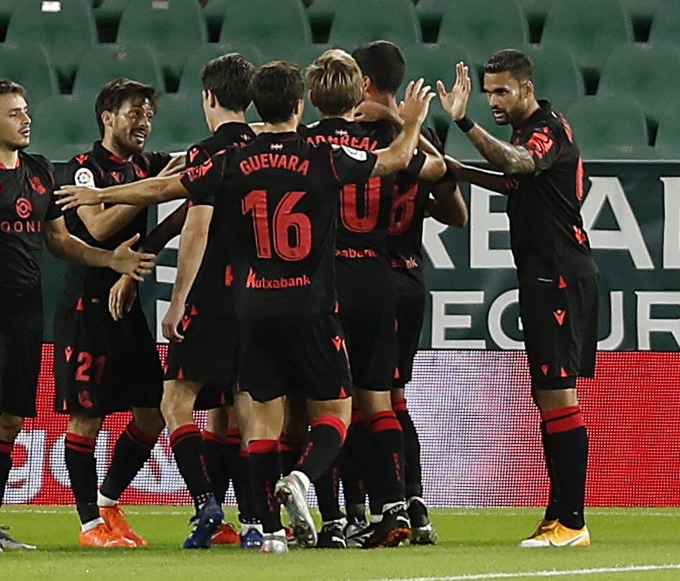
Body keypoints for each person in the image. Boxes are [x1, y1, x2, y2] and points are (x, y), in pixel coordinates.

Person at [56, 61, 436, 553]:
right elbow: (396, 159)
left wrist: (101, 192)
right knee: (335, 412)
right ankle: (302, 483)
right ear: (298, 107)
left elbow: (165, 190)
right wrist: (410, 121)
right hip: (312, 307)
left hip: (254, 309)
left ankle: (267, 528)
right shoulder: (322, 154)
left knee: (259, 419)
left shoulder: (232, 161)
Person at [0, 79, 155, 553]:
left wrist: (110, 260)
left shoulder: (39, 172)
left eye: (26, 110)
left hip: (28, 313)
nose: (26, 119)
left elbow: (58, 240)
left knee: (11, 420)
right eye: (14, 113)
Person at [437, 49, 597, 547]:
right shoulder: (529, 133)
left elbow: (519, 164)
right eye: (488, 93)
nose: (494, 101)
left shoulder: (543, 130)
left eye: (502, 91)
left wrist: (462, 122)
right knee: (547, 395)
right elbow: (518, 180)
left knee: (558, 393)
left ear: (526, 87)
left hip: (559, 275)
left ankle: (573, 521)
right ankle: (558, 516)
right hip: (545, 274)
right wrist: (456, 171)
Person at [297, 48, 446, 550]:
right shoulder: (383, 142)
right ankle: (395, 509)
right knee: (381, 399)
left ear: (312, 97)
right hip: (380, 276)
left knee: (327, 403)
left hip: (326, 281)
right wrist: (408, 123)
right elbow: (433, 170)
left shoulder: (304, 146)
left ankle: (336, 519)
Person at [352, 40, 469, 546]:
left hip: (365, 278)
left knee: (359, 401)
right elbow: (457, 214)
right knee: (395, 398)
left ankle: (372, 510)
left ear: (363, 83)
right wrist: (411, 127)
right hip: (410, 280)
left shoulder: (351, 138)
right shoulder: (422, 137)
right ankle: (415, 502)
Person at [52, 78, 178, 549]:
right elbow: (98, 223)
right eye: (134, 112)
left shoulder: (147, 165)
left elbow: (188, 171)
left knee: (154, 413)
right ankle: (88, 526)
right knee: (87, 417)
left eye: (148, 113)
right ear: (107, 116)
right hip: (87, 305)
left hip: (127, 306)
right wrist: (148, 189)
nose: (144, 121)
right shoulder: (85, 168)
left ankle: (108, 502)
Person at [156, 53, 259, 549]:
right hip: (261, 297)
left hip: (212, 295)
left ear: (209, 98)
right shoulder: (268, 148)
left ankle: (206, 504)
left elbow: (196, 227)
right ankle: (259, 520)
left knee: (177, 401)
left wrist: (178, 300)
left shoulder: (205, 155)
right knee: (244, 410)